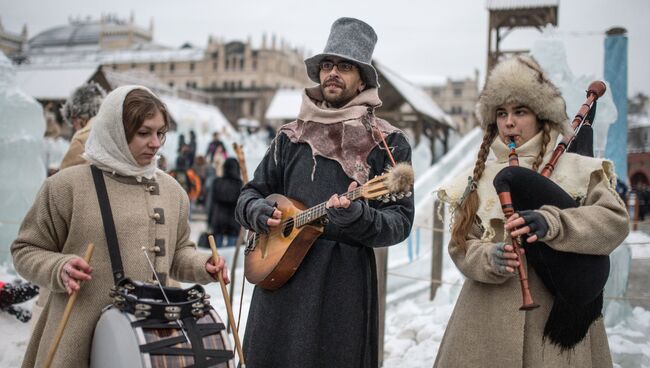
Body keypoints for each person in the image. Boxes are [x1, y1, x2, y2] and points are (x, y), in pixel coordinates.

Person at [235, 17, 414, 368]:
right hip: (279, 279)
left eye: (345, 66)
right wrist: (257, 212)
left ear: (362, 78)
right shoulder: (291, 135)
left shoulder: (388, 142)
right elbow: (250, 194)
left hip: (341, 288)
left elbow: (400, 223)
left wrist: (358, 216)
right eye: (328, 64)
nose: (333, 72)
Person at [11, 85, 229, 368]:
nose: (155, 143)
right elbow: (25, 250)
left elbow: (176, 255)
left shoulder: (172, 191)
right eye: (143, 133)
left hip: (154, 342)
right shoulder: (65, 186)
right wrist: (58, 267)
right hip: (75, 341)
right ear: (115, 130)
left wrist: (204, 265)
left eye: (160, 132)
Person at [434, 56, 629, 368]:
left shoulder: (578, 168)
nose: (509, 122)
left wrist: (554, 223)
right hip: (485, 326)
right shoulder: (476, 177)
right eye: (501, 113)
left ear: (541, 116)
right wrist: (488, 258)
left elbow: (614, 222)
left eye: (520, 111)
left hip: (557, 329)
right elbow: (461, 246)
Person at [59, 82, 106, 170]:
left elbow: (63, 178)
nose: (75, 127)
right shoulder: (113, 128)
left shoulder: (82, 138)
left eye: (73, 122)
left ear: (79, 117)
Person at [209, 158, 243, 247]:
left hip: (218, 219)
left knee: (217, 252)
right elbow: (241, 205)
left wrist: (209, 220)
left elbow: (211, 203)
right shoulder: (239, 184)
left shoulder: (217, 182)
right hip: (233, 220)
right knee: (231, 251)